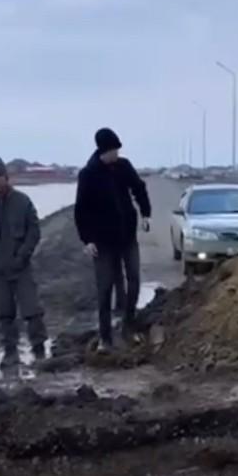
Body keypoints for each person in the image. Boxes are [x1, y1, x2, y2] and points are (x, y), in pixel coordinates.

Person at [73, 127, 151, 352]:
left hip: (127, 236)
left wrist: (146, 213)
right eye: (112, 151)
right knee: (105, 288)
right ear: (102, 151)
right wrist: (87, 240)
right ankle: (105, 337)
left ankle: (128, 325)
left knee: (134, 279)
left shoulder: (123, 167)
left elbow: (139, 188)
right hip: (103, 242)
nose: (116, 154)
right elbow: (81, 210)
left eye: (117, 150)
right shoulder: (89, 174)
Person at [0, 156, 48, 366]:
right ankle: (10, 352)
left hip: (21, 266)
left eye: (0, 176)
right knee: (5, 312)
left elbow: (34, 229)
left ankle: (39, 349)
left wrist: (23, 255)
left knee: (32, 309)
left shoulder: (22, 201)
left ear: (7, 177)